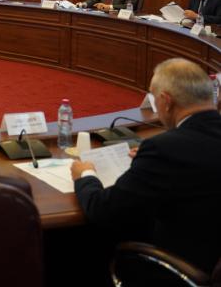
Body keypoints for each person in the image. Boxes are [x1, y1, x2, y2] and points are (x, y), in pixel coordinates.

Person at [71, 58, 221, 275]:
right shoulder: (165, 149)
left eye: (153, 97)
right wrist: (148, 162)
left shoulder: (164, 149)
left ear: (166, 101)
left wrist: (85, 174)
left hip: (180, 269)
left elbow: (104, 211)